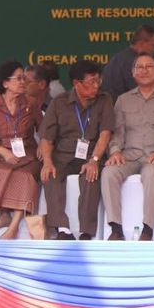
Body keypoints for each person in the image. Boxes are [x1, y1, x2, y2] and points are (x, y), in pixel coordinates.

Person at [39, 60, 114, 240]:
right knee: (50, 175)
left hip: (91, 154)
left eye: (98, 81)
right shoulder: (59, 102)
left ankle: (85, 231)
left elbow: (105, 134)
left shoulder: (104, 100)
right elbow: (47, 138)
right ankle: (62, 229)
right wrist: (47, 162)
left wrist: (94, 160)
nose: (96, 86)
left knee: (91, 176)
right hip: (63, 155)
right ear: (76, 83)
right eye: (91, 81)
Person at [101, 53, 154, 241]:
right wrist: (115, 152)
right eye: (139, 67)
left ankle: (148, 229)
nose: (144, 71)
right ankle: (116, 228)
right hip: (129, 155)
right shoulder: (123, 99)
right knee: (109, 172)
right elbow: (117, 132)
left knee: (151, 173)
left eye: (149, 66)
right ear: (133, 72)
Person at [0, 61, 43, 239]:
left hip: (28, 154)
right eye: (18, 78)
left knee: (25, 175)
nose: (23, 82)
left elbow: (45, 131)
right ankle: (4, 214)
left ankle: (14, 226)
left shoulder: (31, 103)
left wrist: (44, 145)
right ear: (5, 83)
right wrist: (2, 152)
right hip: (1, 154)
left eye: (24, 78)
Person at [101, 25, 154, 100]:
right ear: (141, 43)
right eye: (153, 45)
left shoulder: (116, 58)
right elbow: (142, 93)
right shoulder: (135, 64)